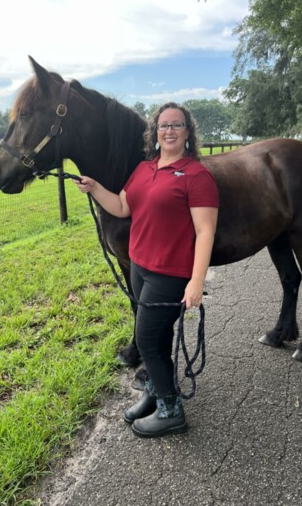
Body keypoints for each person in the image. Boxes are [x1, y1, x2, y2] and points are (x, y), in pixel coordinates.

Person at [74, 102, 219, 438]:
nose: (169, 131)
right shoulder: (144, 169)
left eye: (177, 125)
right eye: (163, 125)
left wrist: (197, 281)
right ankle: (154, 392)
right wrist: (95, 188)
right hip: (140, 267)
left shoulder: (197, 176)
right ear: (155, 133)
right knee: (157, 336)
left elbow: (205, 232)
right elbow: (123, 206)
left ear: (187, 132)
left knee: (146, 339)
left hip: (170, 273)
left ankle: (171, 411)